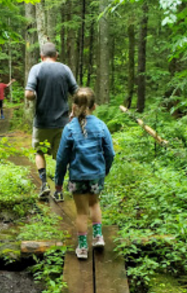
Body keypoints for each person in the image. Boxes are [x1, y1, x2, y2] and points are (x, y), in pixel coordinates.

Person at [54, 87, 115, 259]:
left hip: (77, 177)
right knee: (94, 204)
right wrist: (105, 170)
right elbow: (109, 152)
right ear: (94, 106)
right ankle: (97, 237)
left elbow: (61, 159)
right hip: (96, 175)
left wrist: (58, 182)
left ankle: (82, 248)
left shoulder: (70, 128)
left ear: (73, 106)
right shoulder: (101, 126)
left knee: (81, 212)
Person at [25, 42, 78, 200]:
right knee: (62, 157)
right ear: (56, 56)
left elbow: (28, 94)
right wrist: (74, 112)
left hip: (42, 121)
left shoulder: (37, 68)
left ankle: (43, 184)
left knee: (39, 152)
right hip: (62, 122)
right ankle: (60, 191)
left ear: (41, 56)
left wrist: (34, 95)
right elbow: (77, 93)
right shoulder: (65, 69)